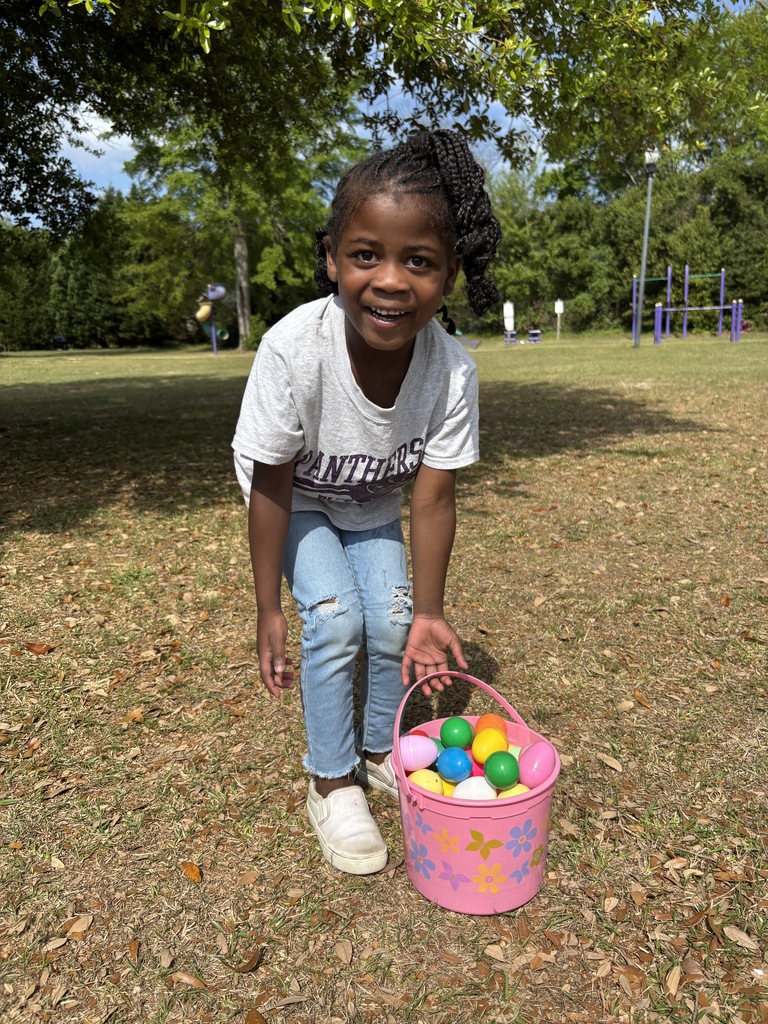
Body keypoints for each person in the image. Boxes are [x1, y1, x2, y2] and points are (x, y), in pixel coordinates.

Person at [232, 128, 501, 875]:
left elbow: (435, 495)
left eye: (419, 261)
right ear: (331, 259)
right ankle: (330, 780)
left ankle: (382, 752)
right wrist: (268, 607)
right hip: (291, 499)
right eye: (365, 255)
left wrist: (430, 611)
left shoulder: (450, 374)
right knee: (335, 614)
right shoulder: (294, 349)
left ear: (449, 275)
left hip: (370, 499)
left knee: (387, 618)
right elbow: (274, 480)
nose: (389, 280)